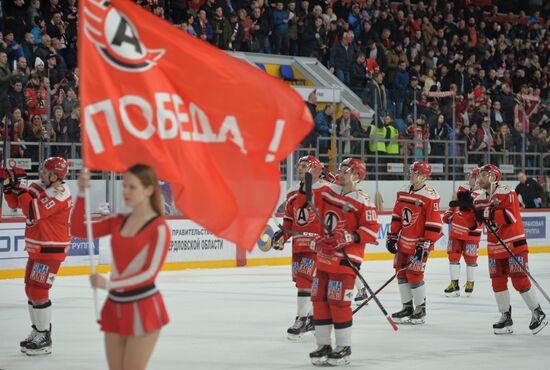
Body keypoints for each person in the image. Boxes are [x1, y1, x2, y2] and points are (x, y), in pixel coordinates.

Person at [71, 164, 170, 370]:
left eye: (132, 187)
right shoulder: (118, 221)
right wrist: (81, 193)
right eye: (124, 185)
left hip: (143, 308)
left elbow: (149, 274)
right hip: (115, 306)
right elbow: (79, 229)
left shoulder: (159, 228)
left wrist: (108, 284)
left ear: (149, 189)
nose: (125, 191)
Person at [306, 158, 379, 366]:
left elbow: (371, 230)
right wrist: (318, 240)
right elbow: (313, 208)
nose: (341, 173)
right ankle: (323, 345)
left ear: (357, 175)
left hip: (347, 260)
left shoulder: (364, 200)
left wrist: (349, 237)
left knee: (338, 301)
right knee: (319, 300)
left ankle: (343, 347)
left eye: (346, 170)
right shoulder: (329, 191)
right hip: (324, 258)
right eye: (340, 169)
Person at [3, 156, 72, 356]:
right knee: (29, 289)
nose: (43, 174)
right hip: (38, 248)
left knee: (38, 291)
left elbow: (32, 211)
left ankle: (44, 336)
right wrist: (10, 187)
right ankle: (37, 330)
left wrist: (22, 188)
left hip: (51, 249)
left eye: (48, 172)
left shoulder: (60, 192)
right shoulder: (40, 185)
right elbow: (17, 203)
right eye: (43, 170)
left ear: (57, 176)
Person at [473, 164, 547, 335]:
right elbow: (475, 225)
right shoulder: (478, 198)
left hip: (514, 244)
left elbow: (509, 216)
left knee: (519, 279)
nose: (480, 178)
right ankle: (505, 317)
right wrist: (463, 211)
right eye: (481, 175)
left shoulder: (507, 191)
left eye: (484, 175)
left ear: (494, 177)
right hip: (494, 247)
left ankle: (538, 312)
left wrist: (486, 213)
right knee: (497, 282)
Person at [271, 155, 324, 340]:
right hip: (298, 245)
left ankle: (301, 319)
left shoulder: (325, 190)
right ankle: (311, 317)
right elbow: (289, 220)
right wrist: (281, 236)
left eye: (304, 166)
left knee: (304, 279)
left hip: (316, 245)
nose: (300, 169)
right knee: (302, 282)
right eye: (299, 166)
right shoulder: (293, 192)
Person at [386, 161, 442, 325]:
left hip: (419, 244)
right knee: (401, 272)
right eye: (411, 171)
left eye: (415, 172)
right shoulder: (403, 191)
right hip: (404, 242)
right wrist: (392, 235)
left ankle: (420, 309)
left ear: (424, 176)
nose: (411, 174)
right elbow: (397, 215)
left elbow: (434, 223)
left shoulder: (431, 195)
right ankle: (407, 307)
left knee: (414, 273)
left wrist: (425, 243)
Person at [442, 167, 482, 297]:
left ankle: (470, 282)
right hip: (456, 231)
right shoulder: (462, 189)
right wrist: (448, 214)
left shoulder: (483, 195)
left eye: (471, 177)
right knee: (453, 256)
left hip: (472, 232)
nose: (469, 179)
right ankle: (454, 283)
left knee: (471, 258)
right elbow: (453, 206)